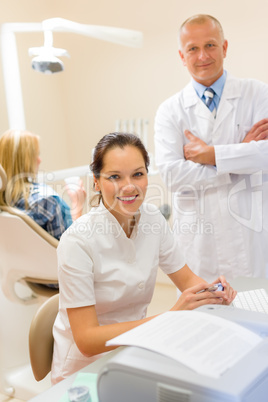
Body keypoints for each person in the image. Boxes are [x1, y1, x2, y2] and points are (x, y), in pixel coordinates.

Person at [51, 132, 236, 384]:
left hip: (136, 349)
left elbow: (187, 279)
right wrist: (170, 318)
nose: (129, 186)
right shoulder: (77, 242)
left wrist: (210, 292)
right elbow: (87, 341)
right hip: (85, 369)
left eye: (138, 174)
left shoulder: (152, 219)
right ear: (96, 181)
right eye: (114, 177)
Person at [154, 14, 268, 283]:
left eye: (211, 45)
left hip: (252, 236)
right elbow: (172, 175)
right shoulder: (170, 111)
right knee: (207, 319)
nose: (202, 55)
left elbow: (265, 156)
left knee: (260, 317)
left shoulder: (257, 94)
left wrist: (211, 155)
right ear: (182, 56)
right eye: (192, 48)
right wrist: (238, 154)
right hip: (201, 244)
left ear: (224, 47)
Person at [0, 129, 86, 240]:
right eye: (36, 155)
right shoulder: (47, 200)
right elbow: (72, 247)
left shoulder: (4, 203)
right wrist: (77, 204)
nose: (39, 160)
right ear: (25, 160)